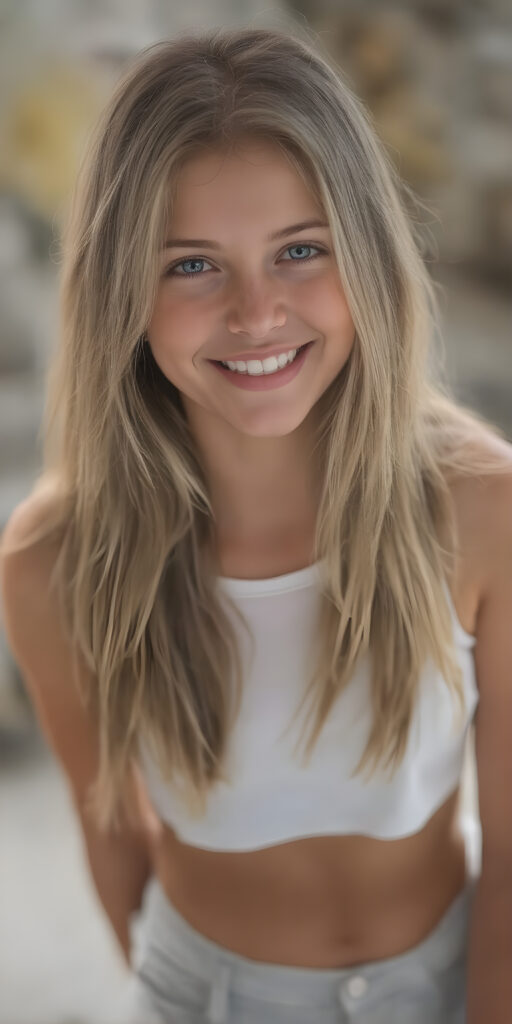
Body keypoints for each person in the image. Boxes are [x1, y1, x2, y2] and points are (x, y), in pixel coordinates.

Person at [1, 24, 512, 1024]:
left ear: (364, 254)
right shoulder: (53, 562)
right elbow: (113, 836)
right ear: (123, 292)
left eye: (299, 250)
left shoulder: (481, 508)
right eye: (192, 265)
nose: (256, 312)